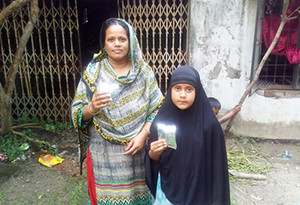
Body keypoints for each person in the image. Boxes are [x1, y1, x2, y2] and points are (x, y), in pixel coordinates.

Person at [71, 18, 163, 205]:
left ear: (131, 41)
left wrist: (144, 134)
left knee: (138, 196)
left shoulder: (144, 73)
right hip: (103, 153)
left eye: (122, 39)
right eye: (111, 39)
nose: (117, 44)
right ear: (104, 43)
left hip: (137, 150)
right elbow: (77, 114)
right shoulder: (93, 72)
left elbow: (158, 108)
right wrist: (92, 107)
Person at [145, 66, 230, 205]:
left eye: (189, 89)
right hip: (168, 195)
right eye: (177, 88)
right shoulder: (161, 122)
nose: (183, 94)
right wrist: (153, 153)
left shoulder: (209, 125)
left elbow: (218, 170)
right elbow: (153, 160)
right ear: (170, 90)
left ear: (197, 91)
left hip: (201, 195)